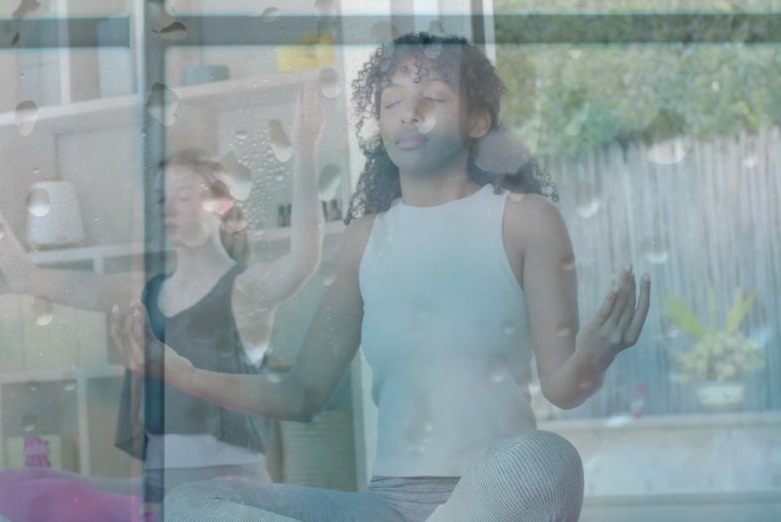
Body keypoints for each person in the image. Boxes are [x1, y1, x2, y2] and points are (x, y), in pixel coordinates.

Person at [109, 32, 652, 521]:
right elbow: (303, 393)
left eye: (431, 99)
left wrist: (596, 354)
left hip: (492, 498)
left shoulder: (525, 220)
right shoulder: (364, 240)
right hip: (385, 506)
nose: (407, 115)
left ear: (478, 121)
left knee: (547, 458)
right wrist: (178, 372)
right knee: (191, 504)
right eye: (392, 102)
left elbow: (562, 386)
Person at [0, 83, 329, 520]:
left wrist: (305, 153)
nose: (169, 208)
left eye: (184, 196)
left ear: (221, 203)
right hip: (159, 492)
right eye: (163, 198)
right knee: (11, 488)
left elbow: (303, 259)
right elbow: (26, 277)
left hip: (231, 495)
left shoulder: (245, 292)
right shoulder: (140, 291)